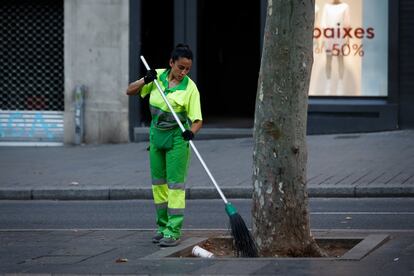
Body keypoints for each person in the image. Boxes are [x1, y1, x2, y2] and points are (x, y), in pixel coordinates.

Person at [126, 44, 203, 247]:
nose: (183, 72)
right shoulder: (158, 77)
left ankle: (174, 231)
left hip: (178, 138)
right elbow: (129, 90)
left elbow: (197, 120)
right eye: (180, 67)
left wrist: (191, 132)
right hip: (156, 136)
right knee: (158, 185)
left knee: (175, 186)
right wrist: (146, 79)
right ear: (171, 63)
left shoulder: (190, 88)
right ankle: (162, 227)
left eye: (187, 68)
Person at [321, 0, 350, 95]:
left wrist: (346, 39)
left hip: (340, 36)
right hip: (329, 35)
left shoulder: (345, 6)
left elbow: (347, 24)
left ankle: (340, 84)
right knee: (328, 60)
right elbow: (323, 23)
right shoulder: (326, 7)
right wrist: (323, 38)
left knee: (340, 60)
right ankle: (327, 84)